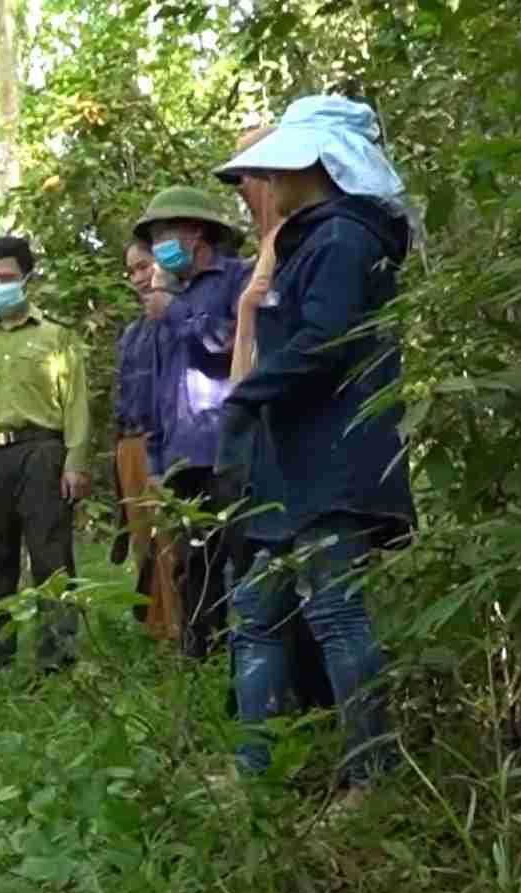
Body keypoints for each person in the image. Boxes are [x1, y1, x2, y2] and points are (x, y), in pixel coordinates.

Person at [214, 95, 418, 792]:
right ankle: (255, 771)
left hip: (333, 464)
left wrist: (248, 394)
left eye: (280, 165)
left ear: (320, 164)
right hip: (292, 465)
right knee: (256, 617)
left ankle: (371, 779)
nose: (267, 180)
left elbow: (327, 340)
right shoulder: (315, 239)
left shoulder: (344, 240)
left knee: (336, 613)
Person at [0, 235, 92, 678]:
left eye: (7, 278)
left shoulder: (55, 337)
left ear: (27, 279)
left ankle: (58, 663)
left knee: (51, 560)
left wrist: (75, 462)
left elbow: (76, 404)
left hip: (42, 453)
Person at [134, 186, 255, 661]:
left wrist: (175, 312)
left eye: (164, 233)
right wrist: (155, 459)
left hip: (228, 449)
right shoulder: (166, 299)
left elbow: (230, 346)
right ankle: (200, 663)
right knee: (191, 565)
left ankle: (247, 665)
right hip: (181, 459)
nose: (157, 246)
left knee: (241, 558)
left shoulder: (238, 278)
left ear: (197, 232)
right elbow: (160, 385)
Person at [112, 240, 182, 641]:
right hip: (131, 443)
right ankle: (157, 635)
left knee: (171, 541)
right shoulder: (132, 333)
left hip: (170, 443)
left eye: (144, 266)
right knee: (144, 543)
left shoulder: (182, 317)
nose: (139, 278)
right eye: (132, 271)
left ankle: (183, 636)